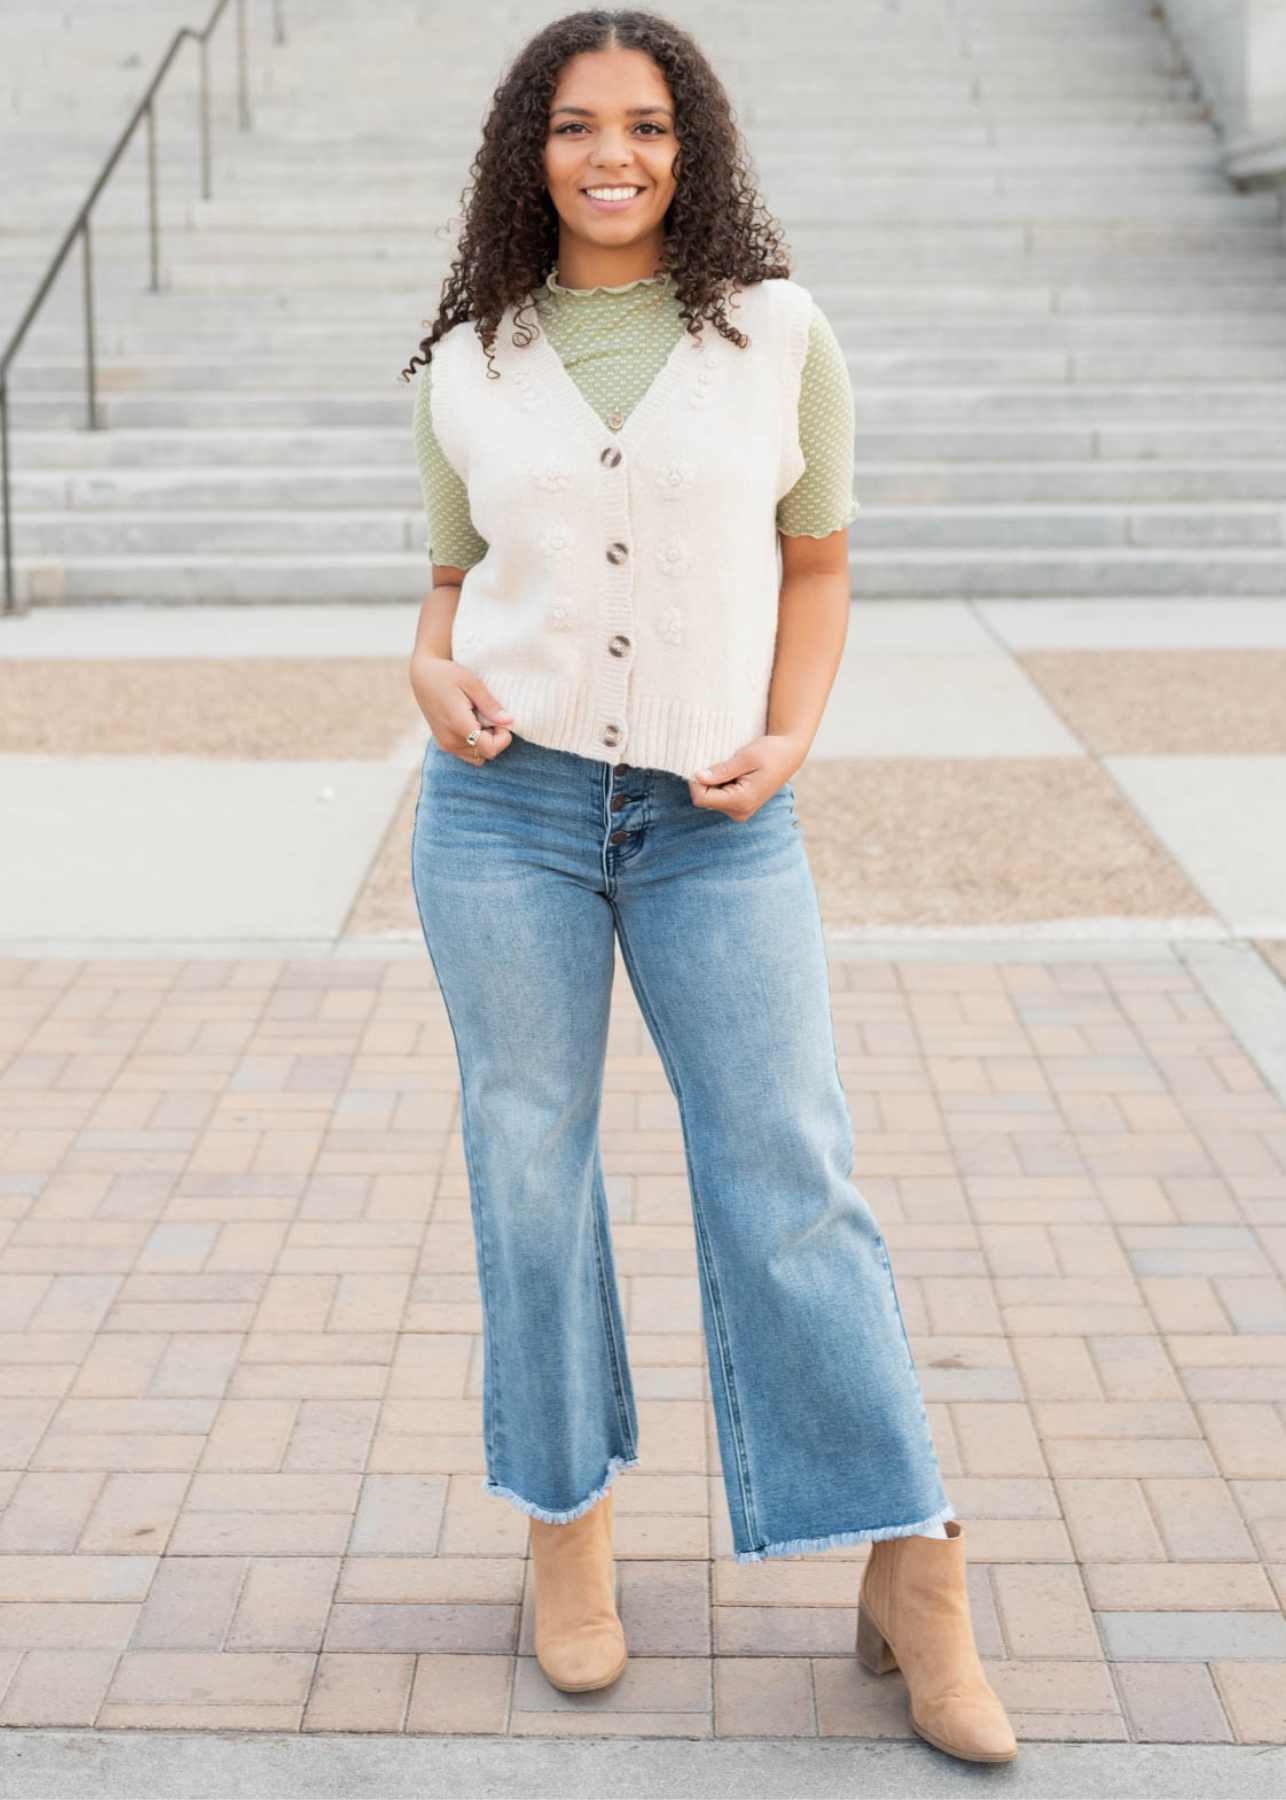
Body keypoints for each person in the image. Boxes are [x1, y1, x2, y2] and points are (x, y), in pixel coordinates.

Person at [399, 7, 1017, 1766]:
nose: (614, 153)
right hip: (504, 815)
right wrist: (429, 677)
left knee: (789, 1173)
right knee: (529, 1165)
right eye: (578, 123)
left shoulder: (776, 334)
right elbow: (445, 603)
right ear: (531, 148)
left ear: (694, 146)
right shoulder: (470, 353)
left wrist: (792, 736)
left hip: (714, 815)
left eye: (649, 124)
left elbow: (814, 571)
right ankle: (566, 1527)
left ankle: (913, 1561)